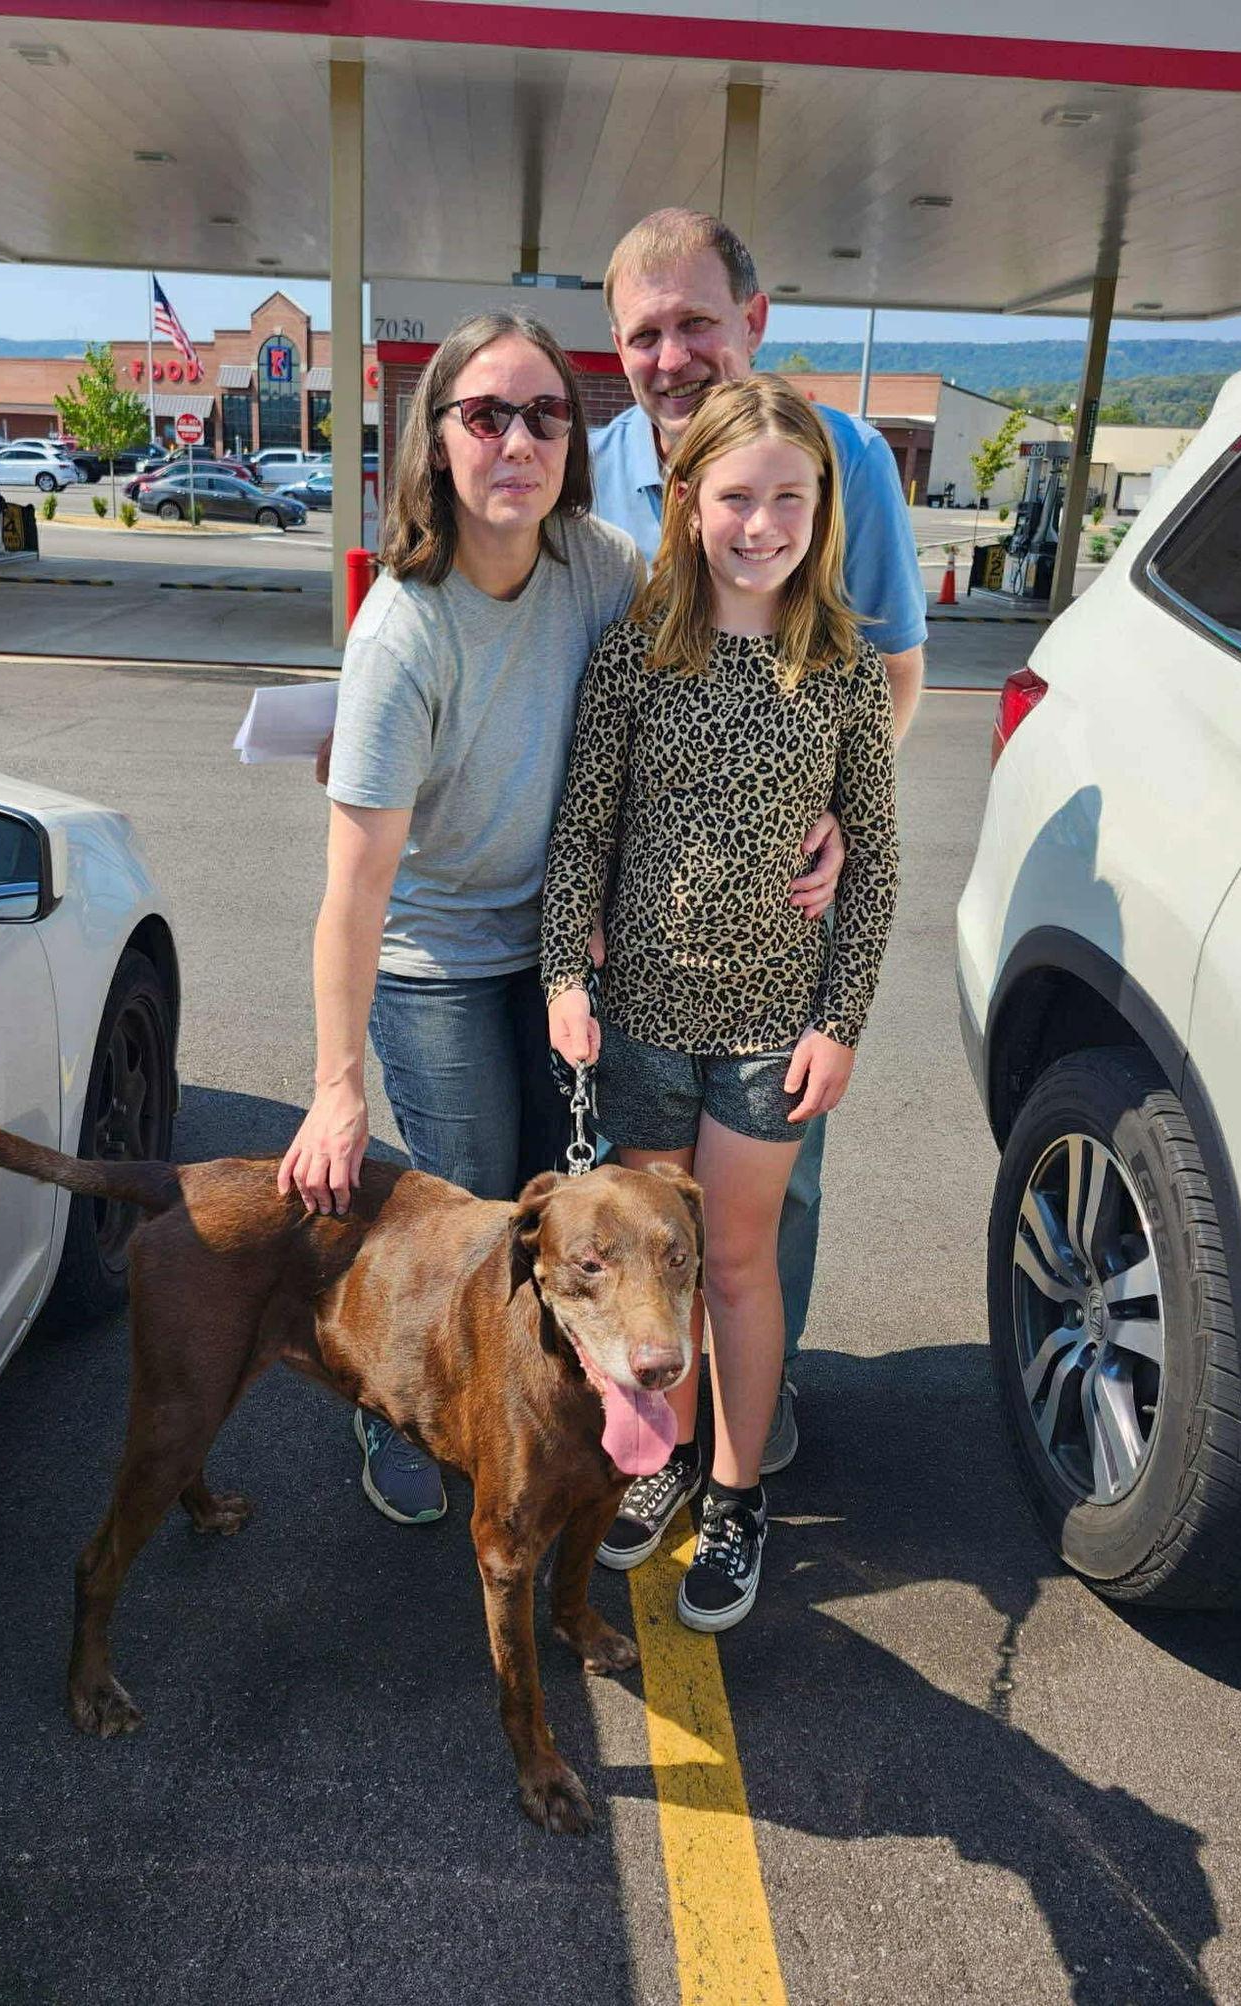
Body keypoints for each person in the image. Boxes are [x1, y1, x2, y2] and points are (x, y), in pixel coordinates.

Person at [281, 310, 845, 1527]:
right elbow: (353, 892)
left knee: (572, 1224)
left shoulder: (595, 564)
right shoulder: (403, 632)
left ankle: (564, 1416)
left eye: (544, 413)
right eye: (485, 414)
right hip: (436, 960)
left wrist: (828, 806)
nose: (517, 439)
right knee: (468, 1212)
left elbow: (705, 688)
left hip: (565, 956)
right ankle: (397, 1408)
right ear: (437, 442)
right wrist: (336, 1085)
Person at [543, 376, 899, 1632]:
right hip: (641, 1019)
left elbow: (874, 862)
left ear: (820, 508)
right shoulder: (637, 653)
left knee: (738, 1262)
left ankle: (736, 1492)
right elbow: (583, 830)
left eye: (787, 498)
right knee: (661, 1275)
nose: (760, 524)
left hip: (767, 1032)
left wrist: (839, 1021)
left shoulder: (844, 670)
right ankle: (670, 1463)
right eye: (735, 497)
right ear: (688, 502)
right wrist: (565, 978)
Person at [588, 208, 926, 1474]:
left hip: (773, 954)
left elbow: (891, 664)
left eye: (696, 325)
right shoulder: (593, 470)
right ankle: (652, 1427)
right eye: (643, 333)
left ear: (754, 322)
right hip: (633, 947)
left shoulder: (841, 463)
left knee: (766, 1206)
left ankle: (746, 1414)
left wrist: (838, 802)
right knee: (631, 1204)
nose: (671, 356)